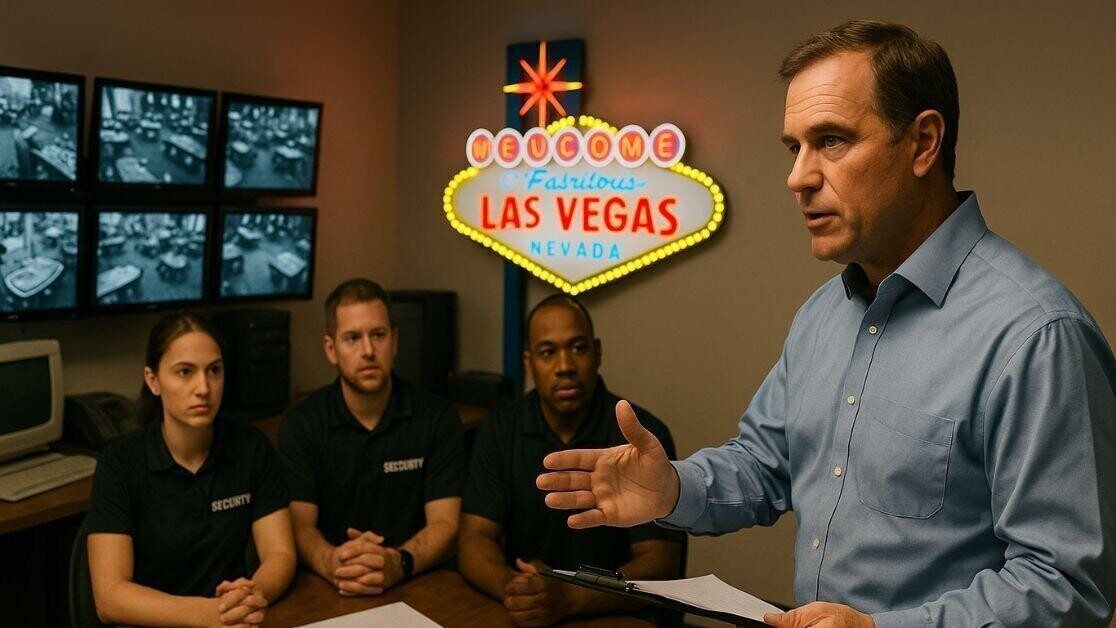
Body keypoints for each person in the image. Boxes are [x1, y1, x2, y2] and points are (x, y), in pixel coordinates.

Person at [538, 20, 1116, 628]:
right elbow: (767, 464)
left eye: (832, 141)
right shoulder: (822, 314)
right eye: (795, 148)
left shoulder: (1036, 336)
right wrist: (672, 491)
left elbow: (1065, 589)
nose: (798, 177)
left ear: (923, 143)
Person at [460, 295, 684, 626]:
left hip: (615, 616)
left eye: (578, 348)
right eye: (548, 352)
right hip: (528, 614)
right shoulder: (500, 428)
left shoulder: (641, 437)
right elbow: (474, 539)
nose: (565, 366)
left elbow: (660, 563)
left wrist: (571, 596)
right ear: (528, 363)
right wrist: (516, 589)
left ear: (598, 353)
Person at [86, 311, 296, 627]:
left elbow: (280, 554)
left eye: (214, 370)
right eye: (185, 372)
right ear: (153, 380)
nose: (203, 387)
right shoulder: (120, 463)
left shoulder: (252, 447)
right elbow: (110, 597)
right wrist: (209, 615)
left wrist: (251, 594)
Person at [279, 278, 465, 596]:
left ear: (394, 341)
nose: (368, 351)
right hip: (331, 588)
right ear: (330, 348)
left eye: (377, 335)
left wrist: (398, 562)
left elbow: (446, 524)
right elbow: (299, 525)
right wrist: (331, 562)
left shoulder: (437, 418)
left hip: (416, 581)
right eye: (352, 338)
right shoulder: (302, 424)